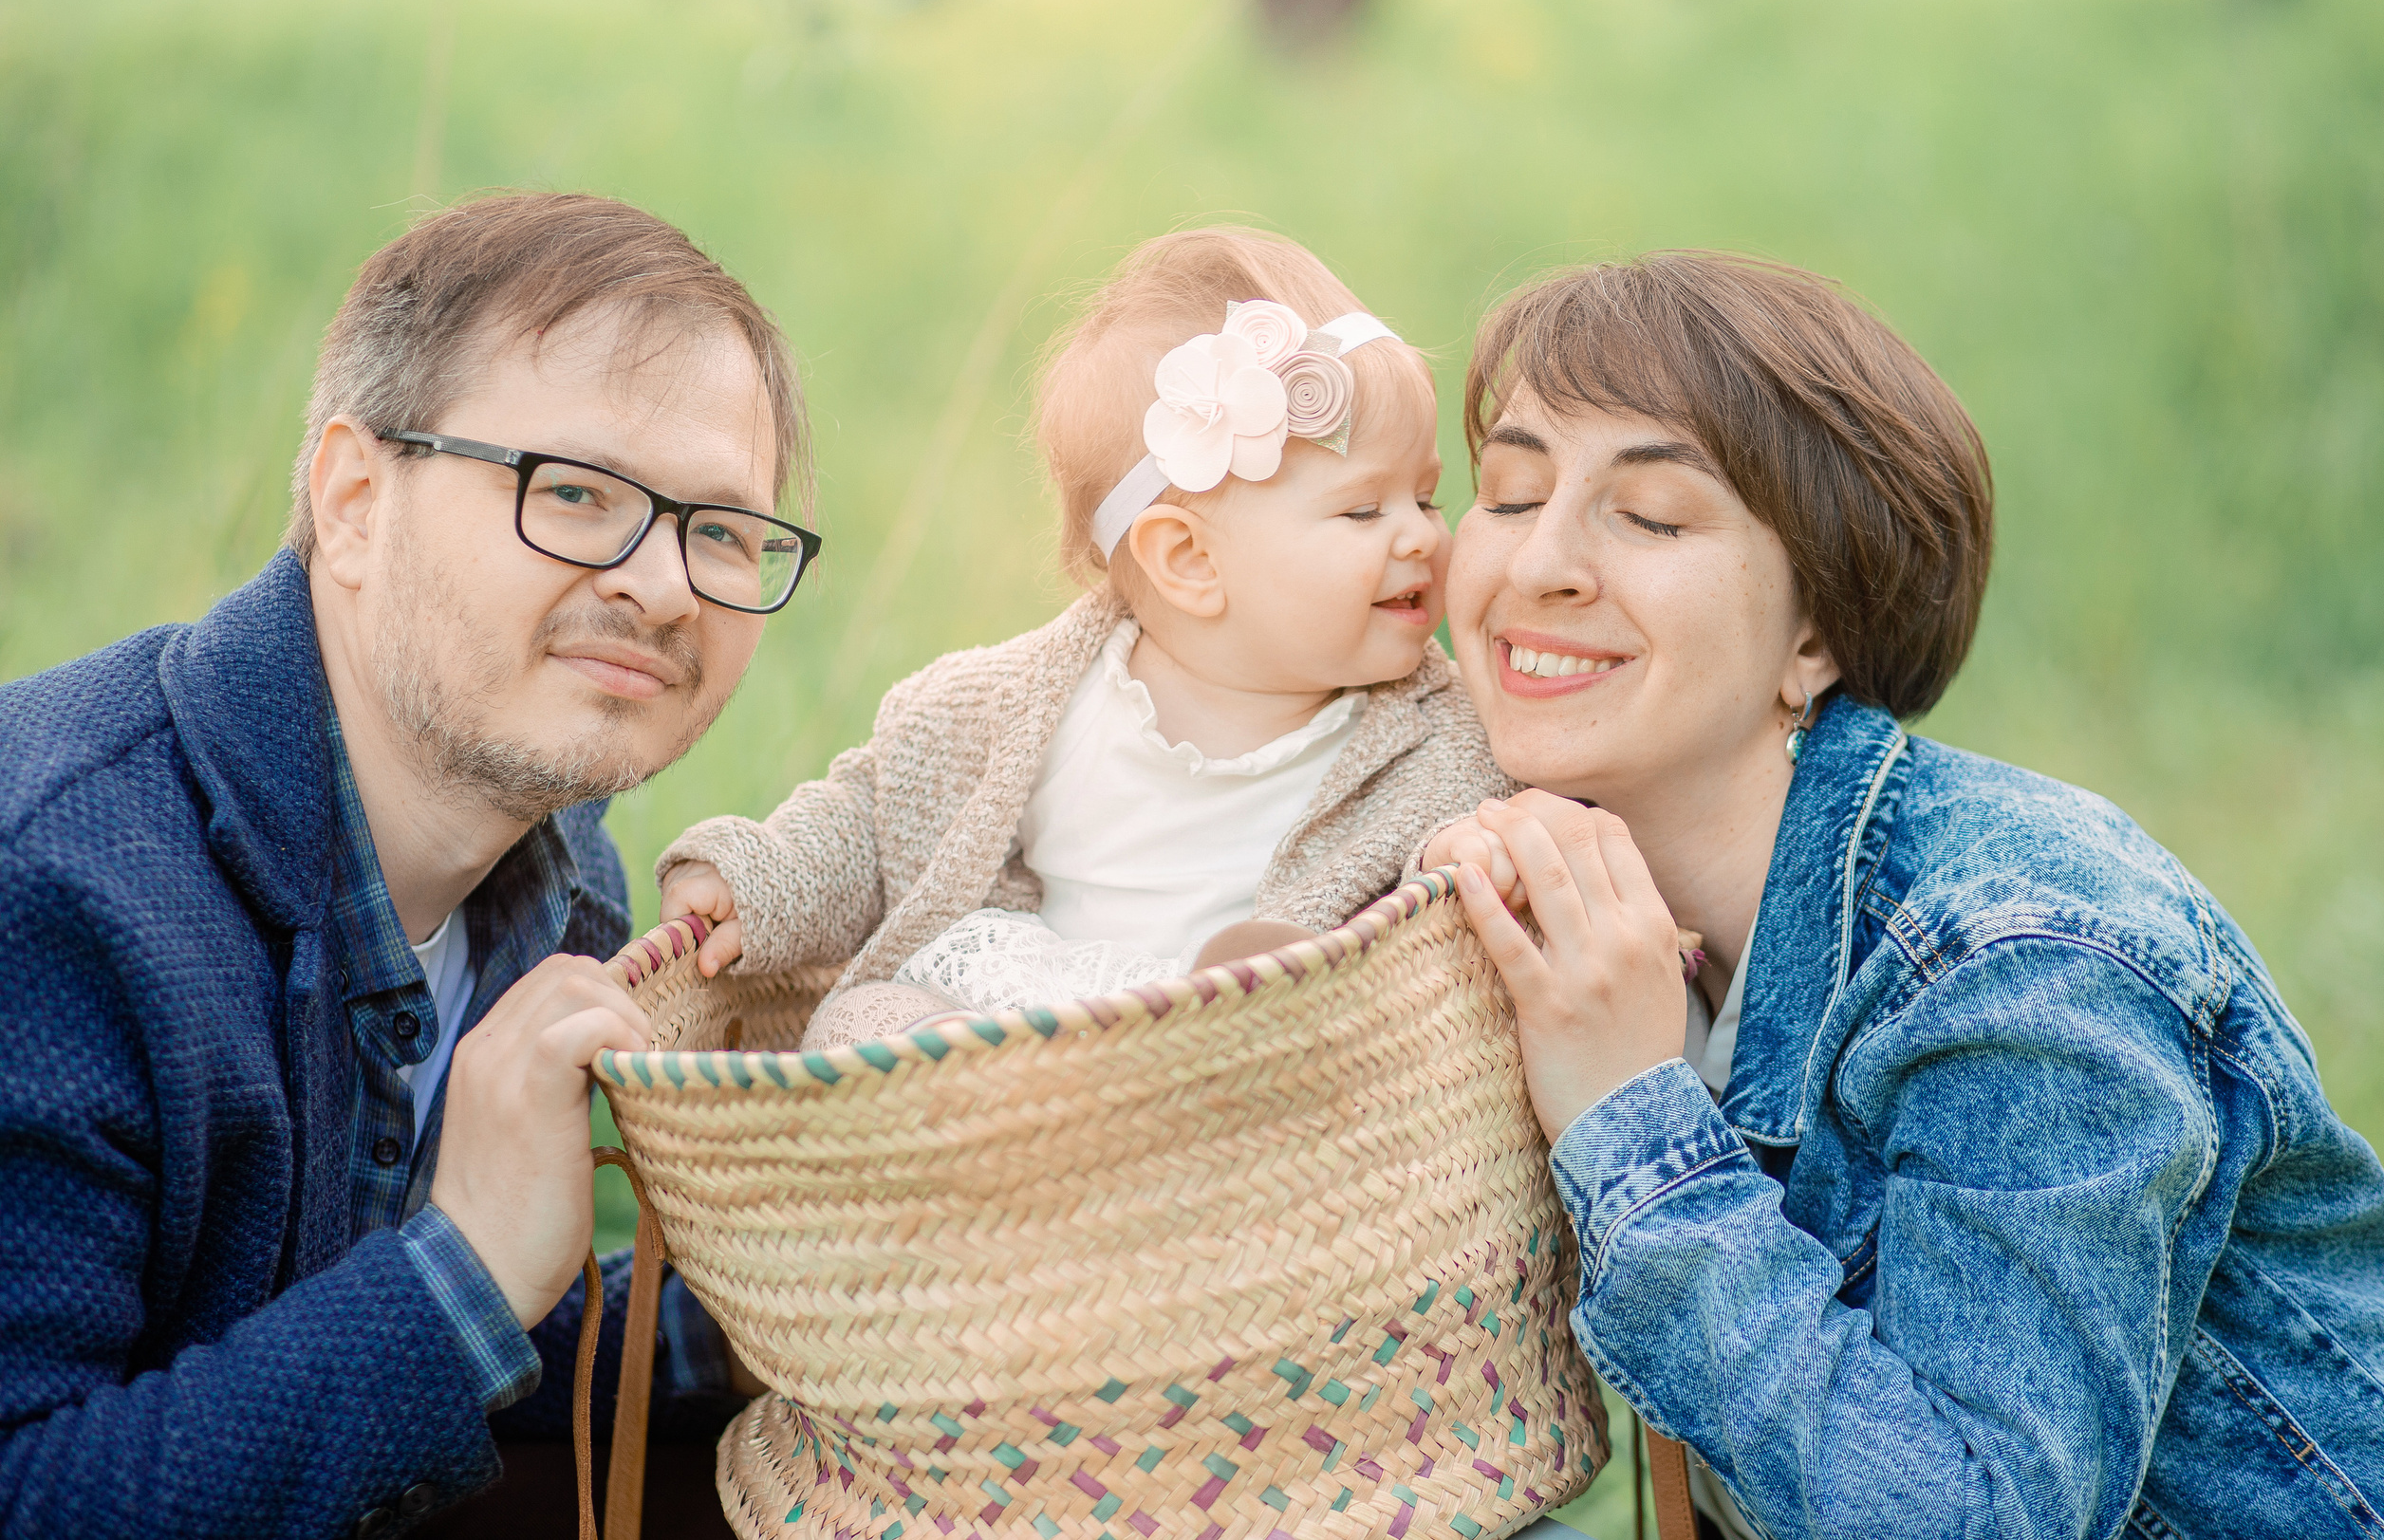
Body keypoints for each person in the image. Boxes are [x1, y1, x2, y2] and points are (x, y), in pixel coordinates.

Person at [1426, 252, 2384, 1538]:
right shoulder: (1579, 918)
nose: (1538, 563)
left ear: (1813, 638)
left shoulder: (2018, 962)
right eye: (1510, 494)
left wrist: (1634, 1128)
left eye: (1653, 517)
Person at [0, 192, 816, 1536]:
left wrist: (759, 1322)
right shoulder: (57, 890)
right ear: (355, 501)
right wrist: (467, 1269)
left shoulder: (562, 876)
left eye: (721, 531)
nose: (667, 586)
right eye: (576, 493)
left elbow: (442, 1347)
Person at [657, 228, 1513, 1048]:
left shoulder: (1438, 741)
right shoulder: (1025, 705)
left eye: (1428, 497)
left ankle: (1198, 1054)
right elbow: (874, 824)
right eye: (1364, 510)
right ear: (1188, 561)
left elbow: (1456, 874)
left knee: (1277, 995)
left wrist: (1463, 857)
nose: (1422, 536)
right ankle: (969, 1086)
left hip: (1239, 1057)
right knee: (860, 1016)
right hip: (1030, 1018)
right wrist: (760, 879)